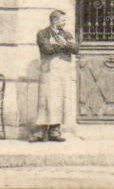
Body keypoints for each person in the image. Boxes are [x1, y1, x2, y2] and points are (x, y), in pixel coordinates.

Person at [33, 9, 79, 142]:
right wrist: (64, 46)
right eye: (62, 20)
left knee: (59, 101)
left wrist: (62, 45)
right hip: (48, 73)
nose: (64, 23)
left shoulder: (67, 34)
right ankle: (40, 131)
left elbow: (75, 48)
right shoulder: (42, 34)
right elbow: (46, 49)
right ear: (54, 20)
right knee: (45, 100)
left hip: (62, 74)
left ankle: (55, 130)